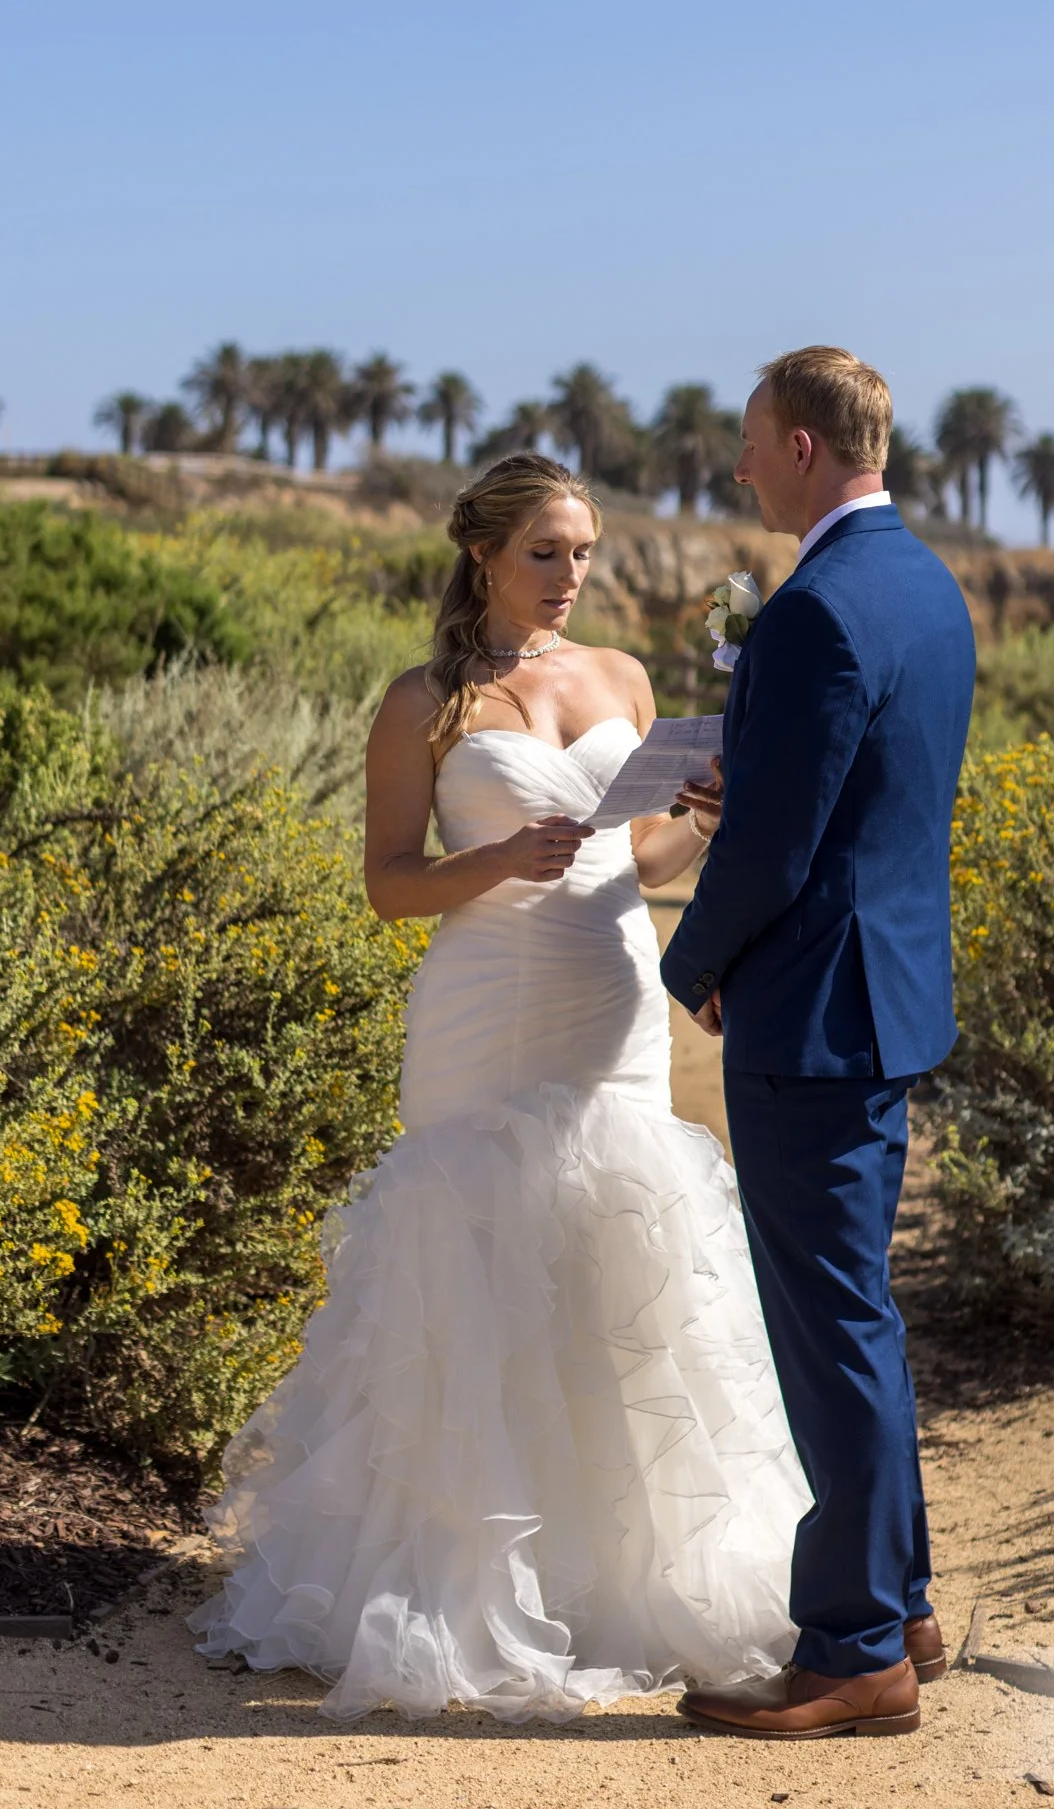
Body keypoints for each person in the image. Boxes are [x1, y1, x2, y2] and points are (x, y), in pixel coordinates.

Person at [191, 455, 808, 1722]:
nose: (571, 577)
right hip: (479, 1015)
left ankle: (613, 1587)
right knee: (467, 1273)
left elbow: (639, 862)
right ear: (483, 555)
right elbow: (386, 882)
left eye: (584, 553)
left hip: (608, 1003)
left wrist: (701, 813)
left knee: (612, 1266)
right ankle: (465, 1585)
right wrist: (493, 864)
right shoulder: (418, 701)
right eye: (546, 553)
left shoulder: (625, 681)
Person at [660, 347, 976, 1742]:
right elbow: (849, 802)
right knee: (863, 1314)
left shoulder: (814, 612)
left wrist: (697, 962)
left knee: (830, 1328)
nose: (735, 469)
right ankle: (895, 1599)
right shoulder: (925, 586)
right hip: (885, 994)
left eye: (746, 445)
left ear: (798, 445)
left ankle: (852, 1651)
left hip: (813, 1010)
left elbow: (779, 848)